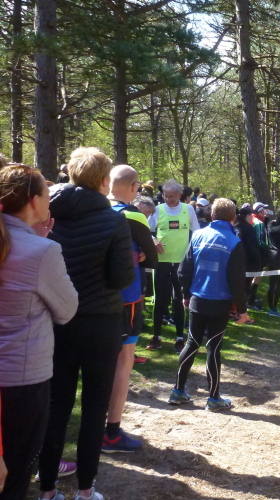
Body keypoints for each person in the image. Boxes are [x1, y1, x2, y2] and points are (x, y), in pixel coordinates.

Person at [39, 147, 135, 500]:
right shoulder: (114, 220)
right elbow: (122, 277)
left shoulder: (48, 213)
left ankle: (47, 490)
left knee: (56, 405)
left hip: (57, 320)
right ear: (104, 180)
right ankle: (85, 489)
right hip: (100, 321)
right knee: (95, 408)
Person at [0, 163, 78, 500]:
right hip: (23, 381)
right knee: (16, 476)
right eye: (47, 194)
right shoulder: (43, 252)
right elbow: (67, 310)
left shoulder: (33, 246)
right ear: (34, 201)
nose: (51, 201)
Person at [169, 199, 249, 411]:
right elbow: (237, 281)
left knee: (192, 343)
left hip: (197, 298)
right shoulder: (234, 242)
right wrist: (242, 310)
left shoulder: (197, 235)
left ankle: (177, 390)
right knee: (213, 348)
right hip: (219, 304)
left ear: (212, 215)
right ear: (234, 217)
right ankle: (213, 398)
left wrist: (186, 294)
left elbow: (183, 270)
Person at [103, 165, 158, 454]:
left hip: (94, 296)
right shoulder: (134, 215)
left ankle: (92, 427)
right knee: (124, 361)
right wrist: (144, 252)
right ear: (135, 187)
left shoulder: (95, 209)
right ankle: (111, 432)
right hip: (127, 297)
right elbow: (153, 259)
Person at [147, 179, 200, 352]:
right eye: (165, 196)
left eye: (171, 196)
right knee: (160, 300)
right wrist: (153, 240)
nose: (168, 199)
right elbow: (146, 230)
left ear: (179, 195)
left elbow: (197, 232)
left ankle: (179, 338)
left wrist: (192, 254)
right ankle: (156, 337)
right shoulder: (158, 209)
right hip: (161, 261)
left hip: (181, 263)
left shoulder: (188, 209)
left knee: (179, 300)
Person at [235, 205, 262, 315]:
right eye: (251, 215)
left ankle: (234, 310)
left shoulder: (234, 227)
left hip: (234, 261)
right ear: (247, 216)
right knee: (245, 288)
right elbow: (252, 247)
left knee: (236, 286)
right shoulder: (249, 229)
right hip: (246, 262)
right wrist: (258, 260)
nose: (253, 217)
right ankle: (241, 312)